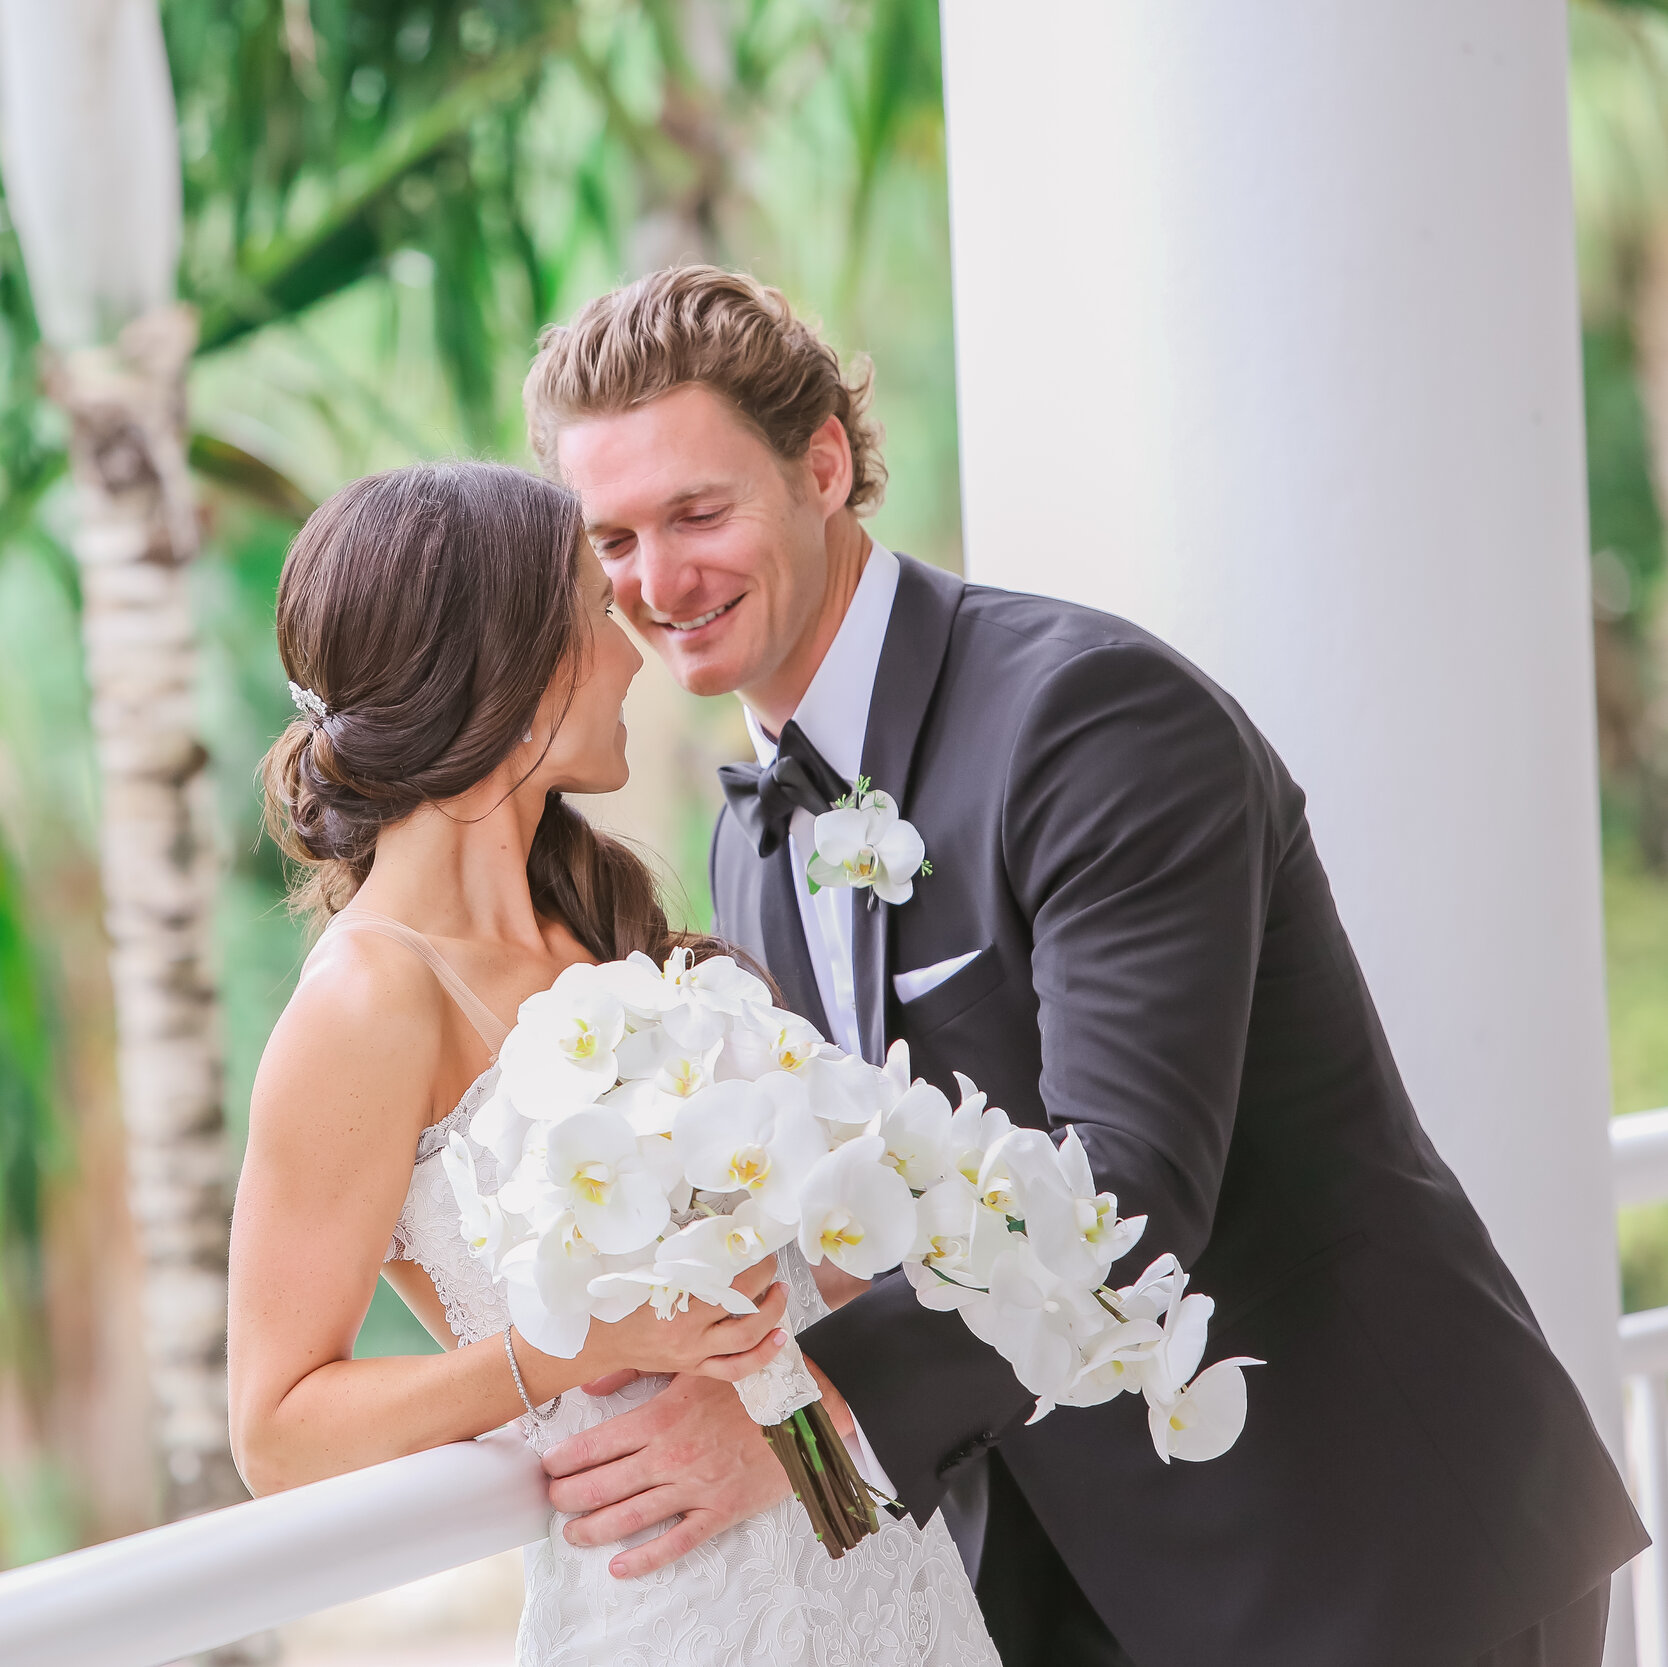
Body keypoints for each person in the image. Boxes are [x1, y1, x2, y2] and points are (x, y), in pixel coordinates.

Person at [523, 264, 1648, 1667]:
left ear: (822, 463)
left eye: (696, 512)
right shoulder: (758, 836)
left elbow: (1128, 1187)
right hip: (1073, 1592)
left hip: (1362, 1551)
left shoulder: (1091, 719)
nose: (655, 581)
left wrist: (804, 1421)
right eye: (613, 538)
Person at [226, 459, 1000, 1666]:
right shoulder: (370, 996)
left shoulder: (602, 929)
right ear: (506, 671)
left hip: (873, 1579)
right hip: (667, 1616)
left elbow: (779, 1324)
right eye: (595, 613)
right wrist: (576, 1353)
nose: (633, 647)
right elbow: (276, 1430)